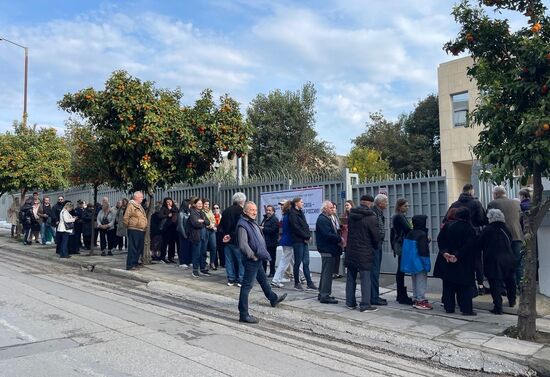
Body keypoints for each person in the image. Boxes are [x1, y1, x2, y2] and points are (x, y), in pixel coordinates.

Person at [237, 201, 287, 324]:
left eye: (255, 210)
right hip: (251, 260)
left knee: (263, 280)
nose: (254, 212)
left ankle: (273, 298)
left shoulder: (250, 222)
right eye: (251, 210)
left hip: (257, 258)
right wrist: (252, 256)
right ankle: (243, 314)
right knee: (247, 286)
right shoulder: (242, 224)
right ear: (245, 211)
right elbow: (243, 244)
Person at [434, 207, 478, 316]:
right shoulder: (469, 228)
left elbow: (440, 239)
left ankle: (449, 307)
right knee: (464, 287)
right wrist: (457, 255)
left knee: (448, 285)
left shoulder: (448, 225)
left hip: (447, 260)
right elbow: (469, 245)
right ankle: (466, 309)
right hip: (463, 262)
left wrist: (445, 253)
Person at [446, 183, 487, 294]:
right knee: (477, 260)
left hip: (456, 236)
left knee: (461, 259)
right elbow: (482, 219)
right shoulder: (476, 203)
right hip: (474, 235)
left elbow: (447, 218)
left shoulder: (455, 204)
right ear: (470, 191)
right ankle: (480, 285)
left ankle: (464, 285)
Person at [345, 197, 380, 312]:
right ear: (370, 204)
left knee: (351, 277)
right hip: (365, 252)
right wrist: (375, 246)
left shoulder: (351, 215)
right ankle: (365, 304)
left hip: (351, 250)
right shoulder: (371, 217)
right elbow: (375, 236)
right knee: (365, 278)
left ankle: (350, 302)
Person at [479, 209, 517, 314]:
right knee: (510, 281)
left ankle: (498, 307)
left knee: (495, 283)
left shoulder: (487, 230)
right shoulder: (506, 228)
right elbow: (511, 241)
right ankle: (512, 300)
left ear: (490, 218)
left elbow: (479, 244)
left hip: (493, 260)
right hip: (509, 257)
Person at [487, 186, 523, 287]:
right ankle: (520, 286)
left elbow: (489, 220)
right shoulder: (516, 203)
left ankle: (506, 287)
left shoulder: (493, 204)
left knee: (503, 263)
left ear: (496, 194)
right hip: (517, 236)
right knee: (518, 263)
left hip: (501, 238)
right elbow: (520, 218)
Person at [316, 201, 343, 304]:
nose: (332, 209)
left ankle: (322, 292)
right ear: (325, 209)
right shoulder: (323, 219)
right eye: (330, 208)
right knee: (327, 273)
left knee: (325, 272)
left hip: (329, 248)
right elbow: (328, 234)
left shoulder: (327, 218)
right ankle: (325, 295)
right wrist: (339, 239)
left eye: (333, 208)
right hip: (327, 249)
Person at [404, 215, 433, 310]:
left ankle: (416, 298)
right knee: (421, 280)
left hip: (412, 261)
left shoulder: (410, 233)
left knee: (415, 280)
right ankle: (420, 300)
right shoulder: (422, 234)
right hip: (420, 261)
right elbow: (423, 250)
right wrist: (426, 264)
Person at [289, 197, 317, 291]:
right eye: (301, 202)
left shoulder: (301, 212)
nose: (303, 203)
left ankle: (309, 283)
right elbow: (296, 228)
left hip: (304, 240)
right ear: (296, 203)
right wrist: (306, 236)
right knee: (297, 262)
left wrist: (308, 236)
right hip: (298, 241)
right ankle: (297, 283)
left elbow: (305, 225)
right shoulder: (292, 213)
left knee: (306, 262)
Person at [220, 192, 246, 287]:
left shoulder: (226, 211)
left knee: (229, 260)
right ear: (242, 201)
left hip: (226, 239)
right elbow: (241, 226)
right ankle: (241, 279)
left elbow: (221, 225)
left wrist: (225, 235)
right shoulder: (241, 211)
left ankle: (231, 279)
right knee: (240, 260)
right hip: (237, 239)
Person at [391, 198, 413, 305]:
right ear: (400, 207)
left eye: (408, 206)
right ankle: (401, 294)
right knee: (400, 270)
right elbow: (408, 229)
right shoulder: (399, 216)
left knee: (401, 269)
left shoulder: (399, 216)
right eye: (405, 206)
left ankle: (401, 293)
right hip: (401, 243)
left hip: (399, 243)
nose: (407, 208)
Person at [271, 201, 295, 288]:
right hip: (289, 241)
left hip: (285, 240)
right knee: (284, 261)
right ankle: (276, 280)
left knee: (292, 260)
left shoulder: (284, 216)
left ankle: (301, 277)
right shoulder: (288, 216)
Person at [371, 194, 388, 306]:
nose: (387, 204)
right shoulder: (374, 213)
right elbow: (375, 230)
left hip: (378, 244)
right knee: (374, 272)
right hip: (375, 246)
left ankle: (375, 295)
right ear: (380, 203)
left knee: (376, 272)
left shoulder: (379, 212)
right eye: (385, 202)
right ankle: (374, 297)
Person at [123, 191, 147, 271]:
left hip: (141, 229)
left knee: (139, 248)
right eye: (141, 197)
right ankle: (130, 265)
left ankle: (135, 263)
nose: (142, 198)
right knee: (133, 247)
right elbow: (126, 217)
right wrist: (128, 226)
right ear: (136, 197)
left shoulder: (139, 206)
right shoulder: (131, 205)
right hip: (134, 229)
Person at [188, 197, 210, 278]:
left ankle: (203, 268)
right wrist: (202, 222)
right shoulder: (193, 212)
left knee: (203, 253)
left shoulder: (202, 213)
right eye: (199, 203)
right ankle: (195, 270)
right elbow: (195, 223)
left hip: (204, 236)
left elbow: (208, 222)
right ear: (194, 204)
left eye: (201, 204)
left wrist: (202, 221)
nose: (200, 205)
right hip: (196, 236)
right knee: (196, 253)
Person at [336, 200, 353, 279]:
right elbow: (341, 226)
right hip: (346, 237)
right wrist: (342, 226)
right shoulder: (344, 215)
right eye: (345, 205)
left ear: (351, 206)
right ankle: (348, 270)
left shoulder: (353, 214)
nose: (346, 207)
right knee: (347, 253)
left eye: (348, 205)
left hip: (353, 237)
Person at [260, 205, 279, 277]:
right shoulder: (265, 218)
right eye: (267, 210)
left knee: (271, 258)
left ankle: (272, 272)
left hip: (272, 242)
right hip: (264, 242)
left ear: (273, 211)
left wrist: (263, 228)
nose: (268, 212)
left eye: (270, 210)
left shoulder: (274, 219)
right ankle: (263, 271)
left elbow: (273, 230)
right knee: (264, 258)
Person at [159, 197, 179, 264]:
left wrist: (171, 209)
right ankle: (163, 257)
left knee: (172, 244)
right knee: (164, 243)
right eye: (167, 202)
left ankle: (171, 257)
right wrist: (167, 215)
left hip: (173, 228)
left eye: (170, 201)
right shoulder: (163, 208)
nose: (169, 203)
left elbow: (177, 211)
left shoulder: (174, 207)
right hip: (166, 228)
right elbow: (160, 215)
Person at [202, 199, 218, 271]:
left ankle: (212, 262)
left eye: (208, 204)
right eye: (205, 204)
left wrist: (213, 225)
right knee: (204, 247)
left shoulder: (210, 211)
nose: (207, 205)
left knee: (214, 246)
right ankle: (204, 263)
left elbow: (214, 220)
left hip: (212, 230)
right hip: (205, 230)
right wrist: (209, 225)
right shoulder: (201, 212)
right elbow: (203, 222)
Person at [176, 199, 192, 269]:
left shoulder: (189, 212)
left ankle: (188, 261)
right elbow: (180, 225)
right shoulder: (181, 213)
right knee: (183, 247)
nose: (190, 205)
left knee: (189, 247)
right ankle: (183, 262)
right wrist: (184, 234)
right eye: (189, 204)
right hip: (182, 232)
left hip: (189, 232)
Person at [213, 204, 224, 268]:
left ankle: (222, 263)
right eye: (214, 208)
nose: (215, 209)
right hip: (214, 233)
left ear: (219, 209)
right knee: (214, 248)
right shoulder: (211, 216)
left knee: (221, 249)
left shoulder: (221, 216)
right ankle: (215, 263)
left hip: (220, 234)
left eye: (217, 208)